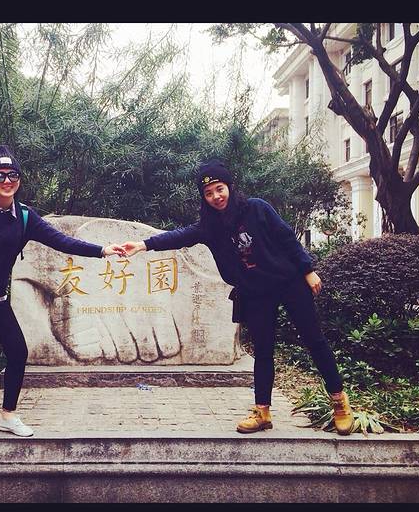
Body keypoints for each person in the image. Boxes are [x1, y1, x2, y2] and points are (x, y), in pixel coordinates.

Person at [120, 159, 354, 435]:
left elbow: (287, 237)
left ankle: (340, 404)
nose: (216, 197)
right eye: (208, 193)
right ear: (204, 198)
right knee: (263, 351)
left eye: (219, 189)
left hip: (289, 282)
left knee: (314, 340)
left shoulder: (257, 208)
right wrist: (143, 245)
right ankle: (262, 412)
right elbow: (179, 236)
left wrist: (308, 270)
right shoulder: (209, 226)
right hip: (255, 292)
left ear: (229, 187)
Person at [0, 145, 126, 436]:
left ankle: (8, 415)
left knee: (17, 351)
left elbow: (62, 241)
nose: (6, 181)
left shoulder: (25, 217)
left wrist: (102, 250)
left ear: (19, 179)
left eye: (12, 175)